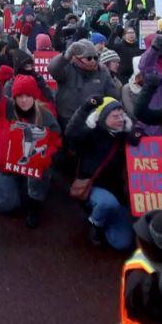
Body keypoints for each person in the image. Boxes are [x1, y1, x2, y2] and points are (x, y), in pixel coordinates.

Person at [0, 67, 61, 228]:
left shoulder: (45, 113)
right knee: (6, 208)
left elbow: (55, 140)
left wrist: (48, 155)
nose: (24, 100)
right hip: (4, 165)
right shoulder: (5, 108)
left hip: (32, 164)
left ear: (34, 96)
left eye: (28, 95)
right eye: (20, 96)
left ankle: (34, 205)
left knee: (42, 168)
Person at [66, 97, 138, 249]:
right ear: (103, 118)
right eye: (115, 116)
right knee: (107, 203)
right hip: (92, 187)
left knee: (122, 243)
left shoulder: (124, 137)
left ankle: (103, 217)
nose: (120, 119)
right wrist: (85, 108)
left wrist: (137, 133)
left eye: (122, 116)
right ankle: (95, 223)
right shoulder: (92, 135)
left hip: (117, 193)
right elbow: (71, 134)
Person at [48, 39, 121, 128]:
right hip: (68, 120)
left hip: (94, 121)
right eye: (89, 58)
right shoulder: (67, 68)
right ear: (77, 59)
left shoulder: (102, 71)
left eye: (96, 57)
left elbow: (113, 95)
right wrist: (65, 56)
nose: (93, 61)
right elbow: (52, 69)